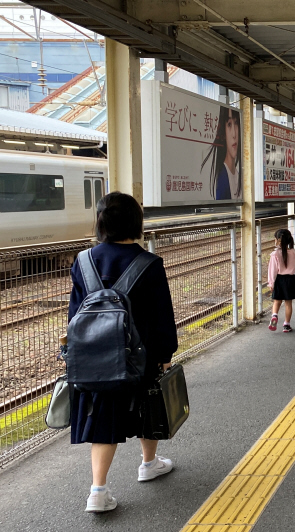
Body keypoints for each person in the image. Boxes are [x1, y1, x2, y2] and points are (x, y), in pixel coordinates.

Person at [67, 192, 178, 513]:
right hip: (138, 356)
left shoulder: (83, 260)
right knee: (148, 406)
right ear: (136, 222)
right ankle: (149, 463)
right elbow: (161, 316)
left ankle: (98, 491)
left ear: (100, 222)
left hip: (94, 356)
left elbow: (75, 314)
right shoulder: (149, 263)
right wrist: (165, 354)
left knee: (103, 417)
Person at [202, 107, 242, 200]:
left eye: (236, 123)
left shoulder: (238, 175)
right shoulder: (222, 177)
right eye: (229, 124)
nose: (234, 134)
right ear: (223, 132)